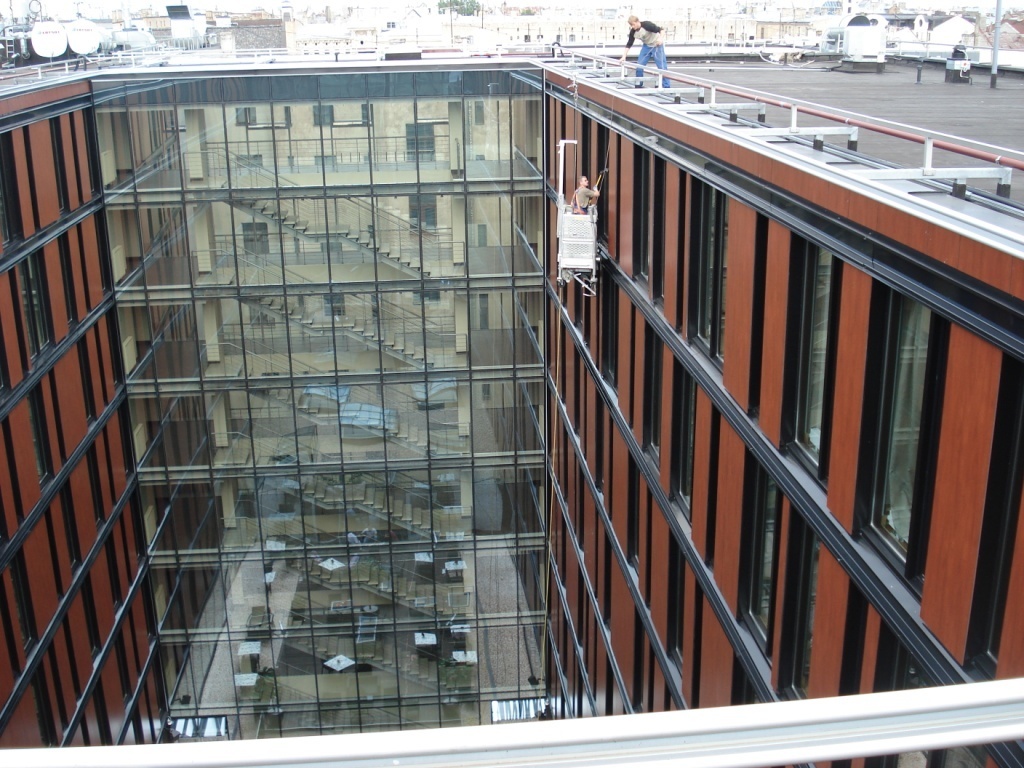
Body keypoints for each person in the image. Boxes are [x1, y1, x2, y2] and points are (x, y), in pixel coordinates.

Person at [620, 16, 671, 88]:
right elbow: (629, 43)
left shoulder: (647, 25)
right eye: (631, 25)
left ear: (638, 21)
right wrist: (624, 56)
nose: (633, 27)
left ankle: (666, 87)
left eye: (633, 24)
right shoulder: (633, 32)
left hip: (656, 45)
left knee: (662, 67)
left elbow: (661, 30)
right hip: (646, 46)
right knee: (639, 66)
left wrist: (660, 38)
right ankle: (639, 84)